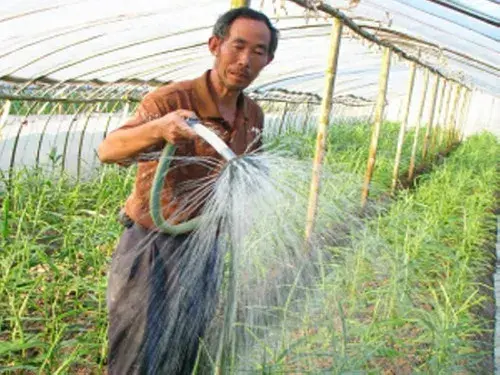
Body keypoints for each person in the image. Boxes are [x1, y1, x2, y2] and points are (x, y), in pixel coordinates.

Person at [97, 7, 278, 375]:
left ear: (268, 60)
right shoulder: (170, 101)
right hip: (153, 246)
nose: (245, 60)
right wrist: (159, 129)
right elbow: (108, 150)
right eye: (237, 46)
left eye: (258, 52)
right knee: (137, 351)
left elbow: (249, 170)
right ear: (215, 45)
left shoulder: (253, 115)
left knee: (185, 346)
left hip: (206, 245)